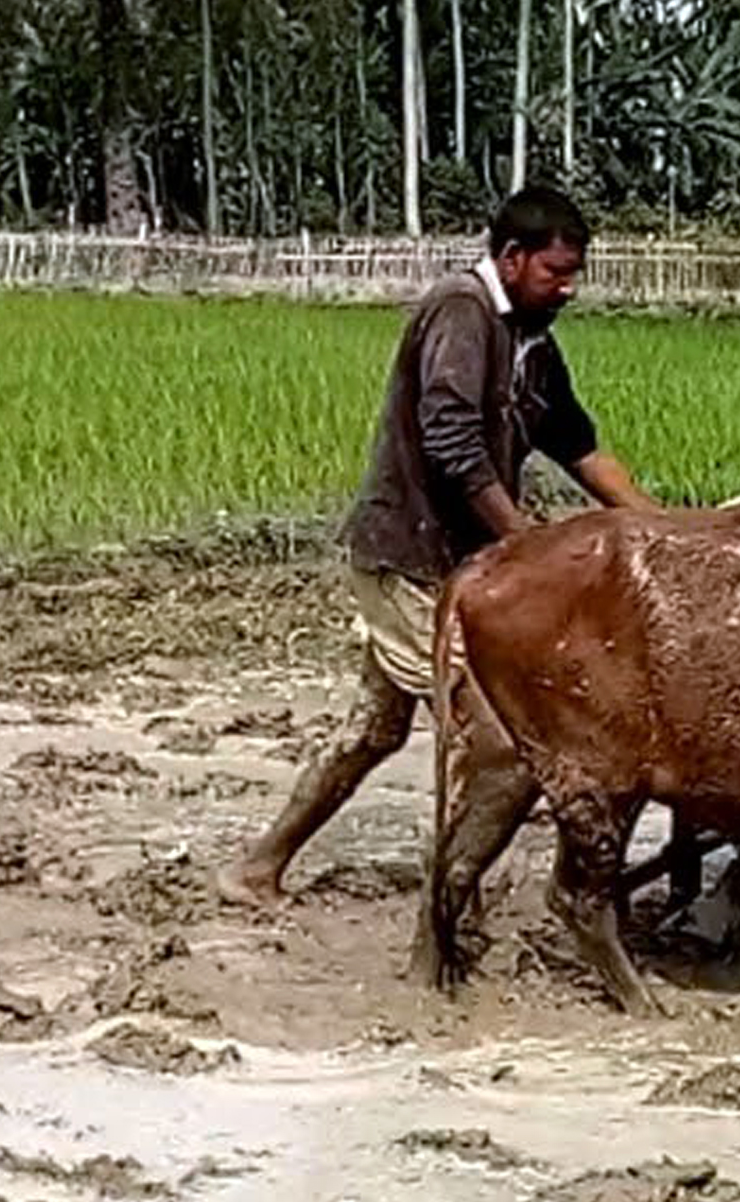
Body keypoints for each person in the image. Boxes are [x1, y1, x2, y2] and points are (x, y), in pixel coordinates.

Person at [216, 186, 656, 909]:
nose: (569, 286)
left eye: (575, 271)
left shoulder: (530, 335)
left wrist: (661, 526)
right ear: (511, 259)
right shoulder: (463, 312)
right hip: (410, 558)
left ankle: (258, 867)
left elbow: (576, 443)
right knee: (488, 728)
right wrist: (525, 545)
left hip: (460, 566)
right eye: (556, 270)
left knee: (374, 731)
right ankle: (452, 899)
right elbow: (453, 443)